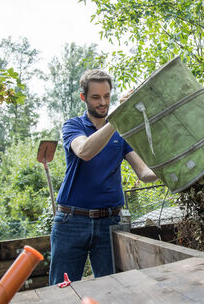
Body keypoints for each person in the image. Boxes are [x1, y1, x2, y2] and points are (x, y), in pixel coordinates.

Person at [49, 69, 158, 285]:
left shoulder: (120, 133)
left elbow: (144, 173)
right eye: (96, 97)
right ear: (84, 98)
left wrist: (177, 167)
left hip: (110, 223)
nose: (103, 102)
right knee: (61, 291)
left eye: (107, 96)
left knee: (113, 290)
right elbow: (85, 151)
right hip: (72, 222)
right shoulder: (73, 126)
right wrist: (117, 119)